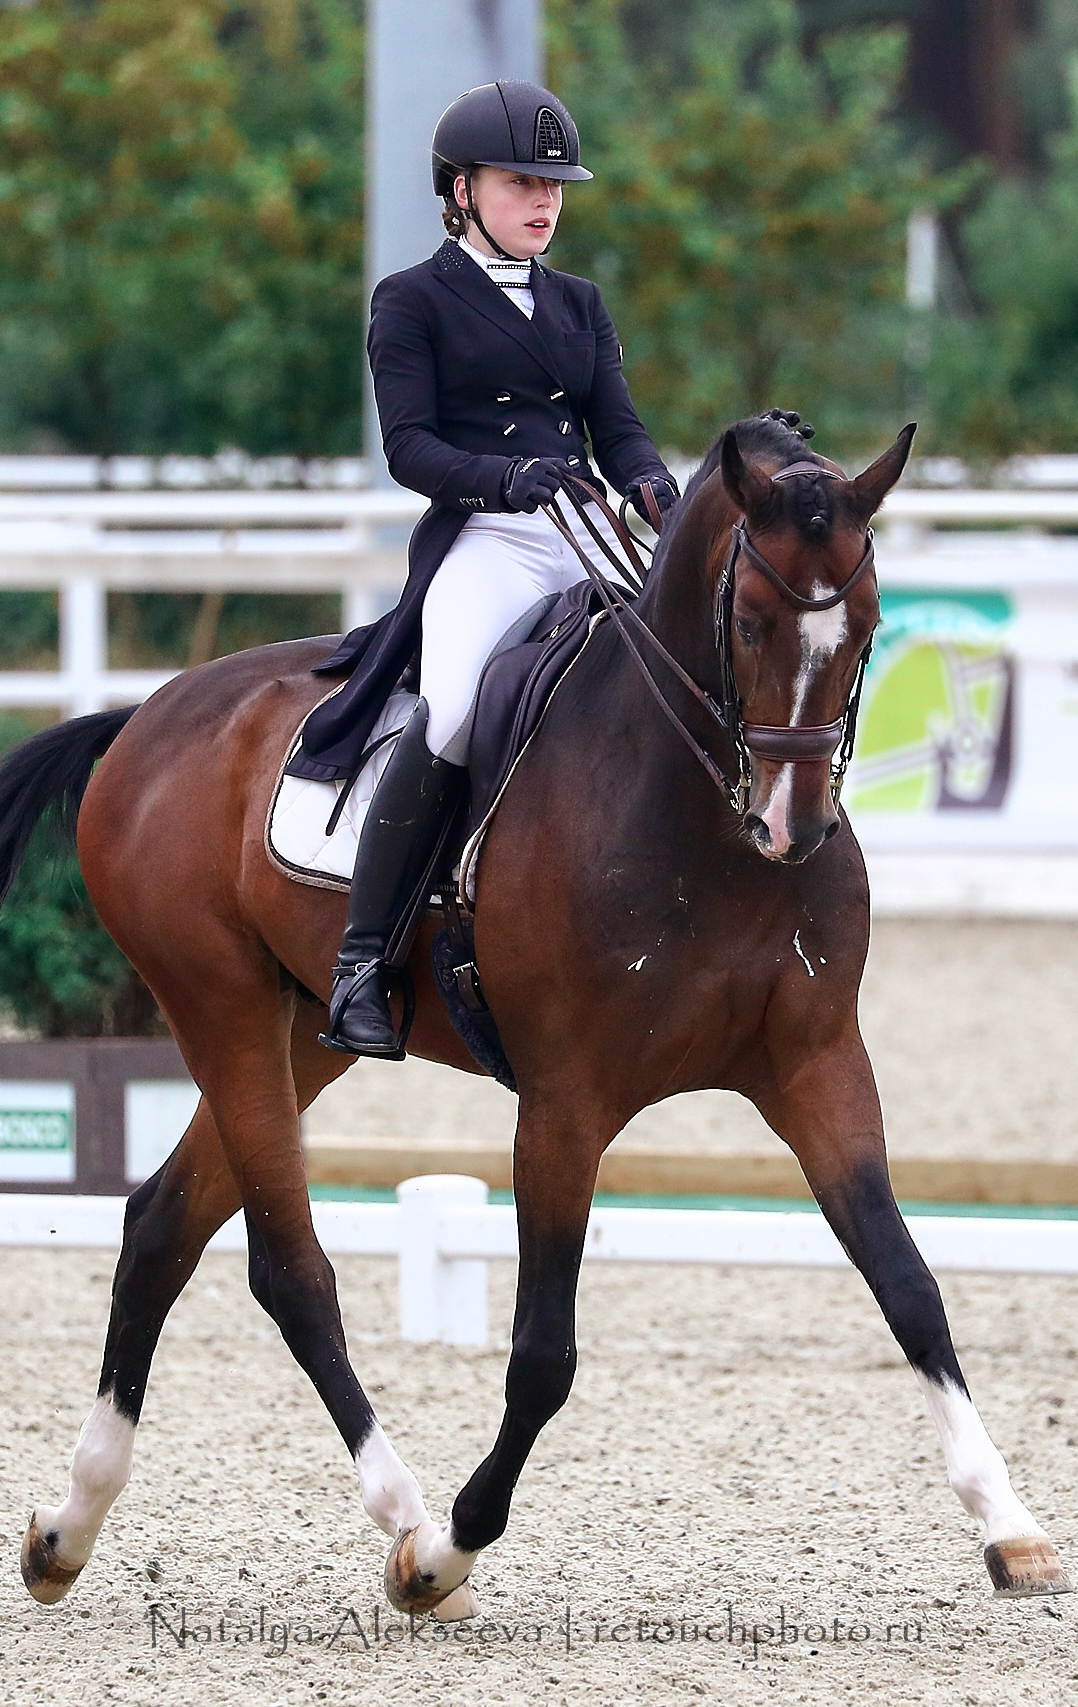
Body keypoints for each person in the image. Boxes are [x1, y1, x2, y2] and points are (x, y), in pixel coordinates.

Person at [290, 79, 679, 1059]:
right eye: (520, 184)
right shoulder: (412, 299)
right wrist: (509, 477)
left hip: (586, 532)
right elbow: (410, 450)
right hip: (485, 536)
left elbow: (619, 431)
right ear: (460, 191)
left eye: (554, 187)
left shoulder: (579, 305)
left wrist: (658, 494)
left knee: (675, 689)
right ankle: (361, 964)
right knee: (458, 707)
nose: (544, 203)